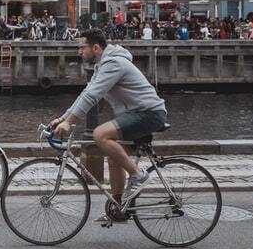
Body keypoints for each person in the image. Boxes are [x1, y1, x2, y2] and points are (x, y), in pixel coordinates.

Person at [51, 29, 168, 222]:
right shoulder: (102, 66)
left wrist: (69, 123)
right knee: (114, 157)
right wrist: (63, 118)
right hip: (135, 114)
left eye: (82, 47)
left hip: (149, 113)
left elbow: (92, 97)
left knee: (100, 134)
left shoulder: (113, 63)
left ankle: (138, 175)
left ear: (95, 47)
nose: (79, 52)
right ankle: (118, 208)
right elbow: (85, 94)